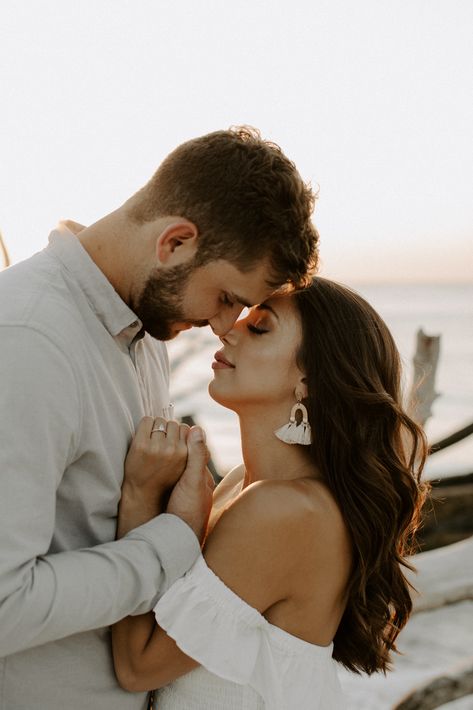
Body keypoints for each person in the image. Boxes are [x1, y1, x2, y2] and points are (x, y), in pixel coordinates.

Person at [0, 127, 318, 710]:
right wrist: (171, 542)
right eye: (226, 297)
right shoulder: (25, 339)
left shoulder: (145, 335)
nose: (226, 327)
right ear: (174, 243)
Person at [112, 277, 429, 709]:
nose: (226, 330)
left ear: (309, 383)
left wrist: (139, 496)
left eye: (259, 328)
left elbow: (138, 668)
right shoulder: (243, 485)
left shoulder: (283, 509)